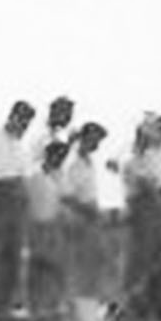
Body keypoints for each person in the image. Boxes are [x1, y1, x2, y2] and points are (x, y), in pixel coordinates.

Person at [0, 100, 36, 316]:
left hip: (17, 197)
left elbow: (24, 176)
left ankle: (7, 304)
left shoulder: (21, 146)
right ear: (13, 116)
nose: (24, 126)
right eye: (22, 120)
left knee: (13, 253)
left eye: (28, 122)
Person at [120, 113, 161, 317]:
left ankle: (155, 301)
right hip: (144, 201)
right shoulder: (138, 153)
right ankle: (130, 300)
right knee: (140, 254)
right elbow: (142, 181)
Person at [62, 122, 108, 302]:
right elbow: (66, 195)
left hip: (89, 217)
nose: (97, 144)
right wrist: (86, 211)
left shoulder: (89, 161)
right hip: (76, 218)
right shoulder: (72, 162)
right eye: (94, 139)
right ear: (84, 138)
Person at [25, 141, 69, 318]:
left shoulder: (61, 177)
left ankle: (55, 306)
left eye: (62, 157)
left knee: (58, 268)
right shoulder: (34, 177)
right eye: (57, 155)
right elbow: (26, 204)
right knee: (38, 267)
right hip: (37, 225)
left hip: (57, 225)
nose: (59, 159)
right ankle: (34, 309)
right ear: (48, 155)